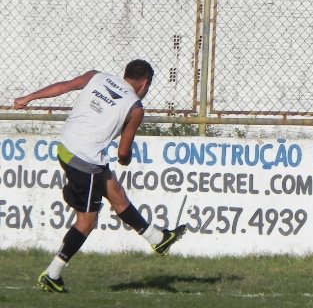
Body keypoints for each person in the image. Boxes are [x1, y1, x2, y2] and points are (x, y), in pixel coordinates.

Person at [13, 60, 186, 293]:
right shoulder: (135, 108)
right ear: (145, 83)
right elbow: (123, 152)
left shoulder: (97, 76)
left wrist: (28, 98)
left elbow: (65, 85)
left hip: (66, 147)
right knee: (87, 221)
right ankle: (52, 274)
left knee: (116, 193)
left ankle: (157, 238)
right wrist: (126, 160)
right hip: (85, 161)